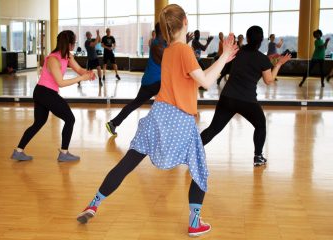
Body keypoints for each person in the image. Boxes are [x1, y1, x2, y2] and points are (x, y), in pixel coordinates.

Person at [77, 4, 238, 237]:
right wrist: (224, 56)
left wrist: (223, 58)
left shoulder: (171, 50)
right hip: (179, 118)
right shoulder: (184, 50)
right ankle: (194, 222)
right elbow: (205, 82)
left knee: (128, 162)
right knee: (200, 169)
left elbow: (198, 78)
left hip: (158, 113)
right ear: (185, 22)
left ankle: (93, 203)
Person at [200, 26, 291, 167]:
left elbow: (223, 62)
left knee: (213, 129)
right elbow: (269, 80)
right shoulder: (262, 59)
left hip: (227, 98)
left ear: (247, 38)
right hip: (247, 101)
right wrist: (279, 63)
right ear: (261, 40)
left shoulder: (237, 52)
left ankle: (192, 150)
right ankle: (258, 157)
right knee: (260, 125)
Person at [11, 30, 95, 162]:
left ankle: (18, 151)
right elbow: (60, 83)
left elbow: (79, 69)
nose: (74, 45)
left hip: (44, 92)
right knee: (70, 119)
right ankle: (64, 153)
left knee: (38, 122)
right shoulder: (53, 59)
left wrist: (88, 73)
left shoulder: (67, 56)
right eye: (73, 42)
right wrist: (81, 78)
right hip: (44, 93)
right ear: (68, 44)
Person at [106, 23, 166, 136]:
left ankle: (113, 123)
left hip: (153, 81)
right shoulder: (156, 45)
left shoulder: (163, 43)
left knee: (140, 104)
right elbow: (170, 58)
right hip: (154, 82)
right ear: (162, 31)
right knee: (166, 104)